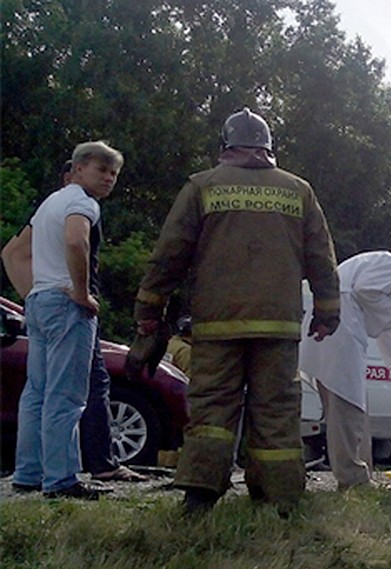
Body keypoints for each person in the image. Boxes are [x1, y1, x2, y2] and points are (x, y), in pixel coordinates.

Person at [132, 108, 341, 514]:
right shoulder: (298, 190)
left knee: (212, 408)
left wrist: (149, 308)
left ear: (225, 145)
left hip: (217, 323)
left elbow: (169, 254)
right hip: (278, 326)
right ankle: (280, 499)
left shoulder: (202, 186)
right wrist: (327, 310)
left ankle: (200, 495)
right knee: (277, 409)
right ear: (268, 147)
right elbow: (321, 256)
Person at [4, 156, 146, 485]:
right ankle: (61, 480)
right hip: (67, 304)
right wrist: (82, 294)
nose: (109, 178)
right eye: (102, 171)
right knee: (66, 395)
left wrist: (33, 293)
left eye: (114, 173)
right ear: (77, 170)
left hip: (41, 300)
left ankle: (28, 473)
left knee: (36, 391)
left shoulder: (49, 203)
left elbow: (10, 253)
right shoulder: (83, 203)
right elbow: (75, 240)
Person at [299, 251, 391, 490]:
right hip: (342, 332)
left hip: (335, 330)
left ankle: (354, 473)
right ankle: (353, 478)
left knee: (342, 412)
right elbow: (364, 290)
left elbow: (383, 330)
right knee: (349, 409)